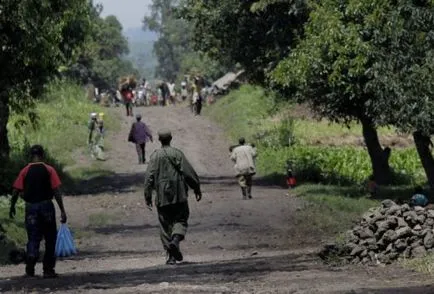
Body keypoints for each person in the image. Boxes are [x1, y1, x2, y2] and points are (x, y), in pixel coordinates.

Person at [144, 129, 202, 265]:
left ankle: (170, 257)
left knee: (165, 225)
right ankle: (175, 240)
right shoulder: (177, 154)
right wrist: (196, 187)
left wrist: (147, 196)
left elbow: (149, 178)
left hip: (162, 196)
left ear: (159, 140)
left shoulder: (154, 156)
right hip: (179, 194)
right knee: (180, 219)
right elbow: (188, 173)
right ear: (171, 138)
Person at [9, 145, 67, 278]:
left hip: (31, 208)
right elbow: (56, 191)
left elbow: (15, 190)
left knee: (33, 237)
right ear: (43, 155)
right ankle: (48, 270)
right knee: (50, 238)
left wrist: (12, 206)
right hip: (47, 207)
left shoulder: (25, 170)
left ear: (31, 155)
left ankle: (30, 265)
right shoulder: (49, 170)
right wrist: (62, 210)